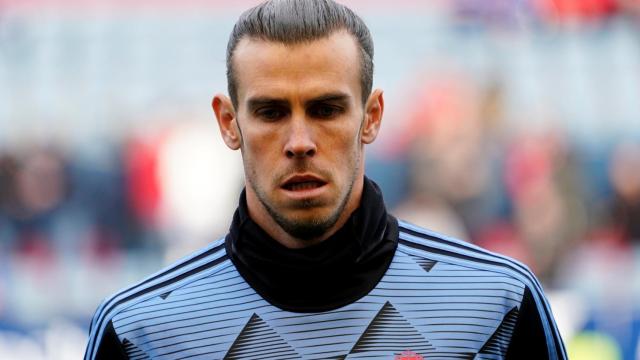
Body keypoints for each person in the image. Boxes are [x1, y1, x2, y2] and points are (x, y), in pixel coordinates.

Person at [84, 0, 567, 359]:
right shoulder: (139, 330)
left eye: (326, 109)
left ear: (372, 116)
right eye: (271, 112)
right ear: (229, 124)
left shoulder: (498, 304)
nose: (299, 141)